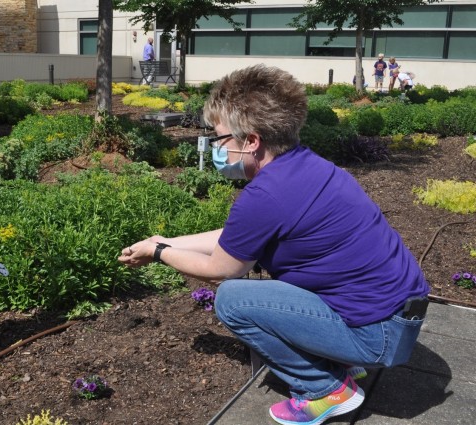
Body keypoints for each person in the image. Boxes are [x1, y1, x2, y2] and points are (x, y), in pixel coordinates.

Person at [118, 65, 429, 425]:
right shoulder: (307, 166)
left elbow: (224, 268)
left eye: (221, 139)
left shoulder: (265, 194)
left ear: (251, 141)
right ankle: (341, 359)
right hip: (397, 318)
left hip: (379, 336)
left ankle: (324, 388)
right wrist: (165, 241)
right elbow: (234, 239)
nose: (218, 149)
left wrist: (159, 254)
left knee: (233, 299)